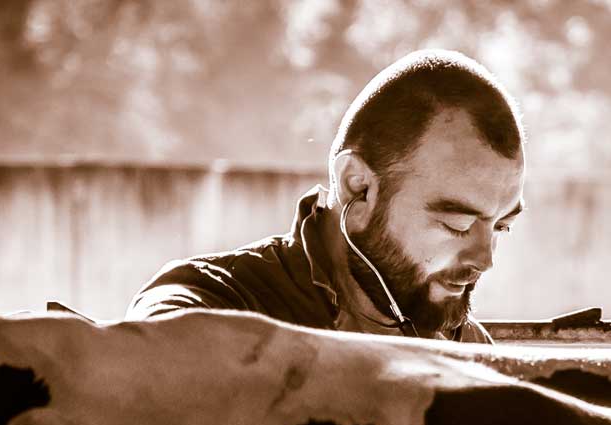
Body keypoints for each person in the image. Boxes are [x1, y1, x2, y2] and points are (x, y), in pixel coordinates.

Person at [127, 49, 525, 343]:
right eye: (457, 225)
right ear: (359, 186)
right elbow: (146, 355)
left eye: (501, 226)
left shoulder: (466, 348)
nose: (485, 259)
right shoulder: (210, 302)